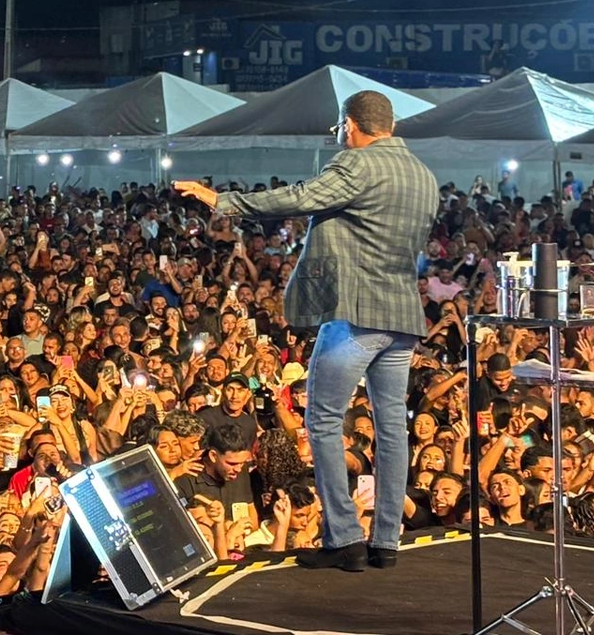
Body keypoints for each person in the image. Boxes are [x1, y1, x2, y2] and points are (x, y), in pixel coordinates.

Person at [177, 90, 438, 572]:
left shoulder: (357, 165)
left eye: (340, 130)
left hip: (356, 315)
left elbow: (299, 197)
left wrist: (222, 199)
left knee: (321, 420)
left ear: (350, 125)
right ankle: (386, 541)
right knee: (391, 429)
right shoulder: (423, 175)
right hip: (402, 317)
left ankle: (344, 540)